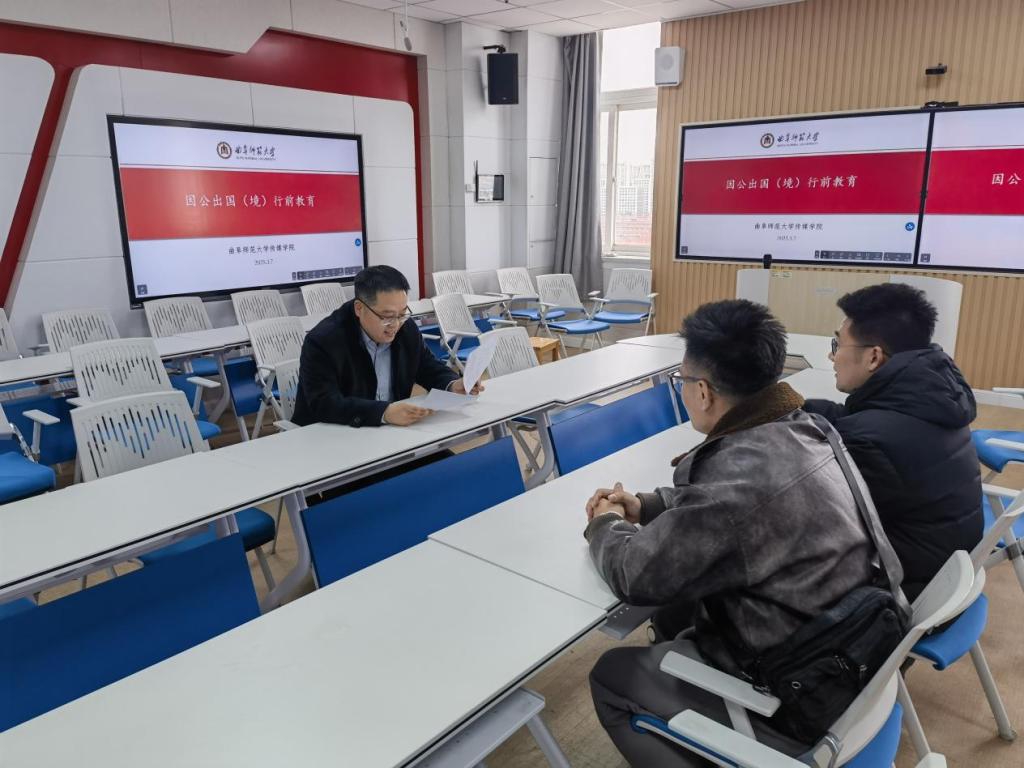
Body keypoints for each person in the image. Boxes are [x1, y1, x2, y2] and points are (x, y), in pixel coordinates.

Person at [585, 300, 884, 767]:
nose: (684, 389)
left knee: (612, 674)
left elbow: (635, 575)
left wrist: (605, 522)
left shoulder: (732, 485)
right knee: (678, 616)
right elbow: (742, 505)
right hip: (857, 649)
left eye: (682, 380)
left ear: (703, 392)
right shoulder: (809, 428)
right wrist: (649, 505)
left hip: (800, 687)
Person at [802, 282, 982, 599]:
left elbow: (812, 520)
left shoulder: (869, 441)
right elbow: (857, 418)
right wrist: (798, 408)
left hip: (895, 593)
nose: (831, 356)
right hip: (943, 569)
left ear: (873, 357)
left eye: (837, 344)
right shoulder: (933, 397)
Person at [292, 265, 480, 428]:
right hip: (334, 435)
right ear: (359, 308)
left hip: (390, 431)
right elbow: (325, 403)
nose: (396, 325)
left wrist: (452, 384)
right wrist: (384, 412)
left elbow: (426, 366)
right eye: (387, 316)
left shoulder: (406, 328)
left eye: (402, 314)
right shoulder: (323, 341)